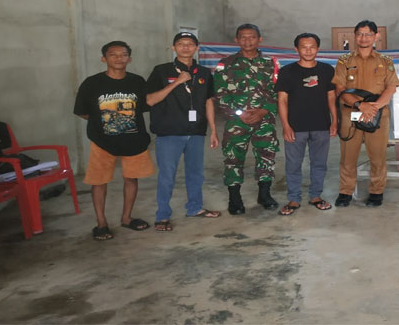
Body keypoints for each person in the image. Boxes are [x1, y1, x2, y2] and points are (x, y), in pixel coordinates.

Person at [74, 41, 154, 241]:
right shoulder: (91, 83)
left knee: (131, 178)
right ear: (104, 58)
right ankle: (101, 223)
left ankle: (126, 218)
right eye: (113, 54)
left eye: (123, 54)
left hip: (134, 140)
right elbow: (83, 112)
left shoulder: (137, 81)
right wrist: (105, 124)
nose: (119, 58)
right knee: (99, 181)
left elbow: (144, 107)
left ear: (129, 59)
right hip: (102, 141)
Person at [145, 32, 221, 232]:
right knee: (167, 176)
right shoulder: (161, 71)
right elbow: (150, 100)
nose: (185, 47)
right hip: (169, 132)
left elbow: (208, 102)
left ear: (197, 48)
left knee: (196, 174)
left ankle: (194, 208)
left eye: (190, 44)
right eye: (181, 43)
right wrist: (177, 82)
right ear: (173, 48)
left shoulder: (204, 72)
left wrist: (213, 130)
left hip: (196, 131)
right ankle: (162, 215)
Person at [332, 20, 399, 207]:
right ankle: (345, 192)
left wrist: (373, 108)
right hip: (350, 115)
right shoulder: (344, 61)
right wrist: (360, 105)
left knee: (377, 157)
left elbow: (391, 88)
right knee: (348, 157)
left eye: (368, 34)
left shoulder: (385, 61)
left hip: (378, 116)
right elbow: (340, 89)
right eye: (360, 34)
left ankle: (376, 192)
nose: (364, 38)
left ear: (376, 36)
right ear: (355, 36)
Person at [213, 24, 280, 214]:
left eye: (252, 37)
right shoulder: (225, 64)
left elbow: (278, 91)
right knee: (233, 158)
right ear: (236, 40)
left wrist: (264, 110)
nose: (247, 41)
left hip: (264, 119)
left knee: (266, 156)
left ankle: (264, 195)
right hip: (236, 121)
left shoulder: (271, 63)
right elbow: (220, 93)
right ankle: (234, 198)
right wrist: (239, 113)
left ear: (260, 39)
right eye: (243, 37)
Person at [275, 33, 338, 215]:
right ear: (296, 49)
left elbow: (331, 96)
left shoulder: (327, 70)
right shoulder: (287, 72)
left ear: (318, 48)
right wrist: (286, 125)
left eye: (312, 47)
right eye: (304, 47)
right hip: (295, 127)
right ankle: (294, 199)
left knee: (319, 164)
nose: (308, 51)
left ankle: (316, 196)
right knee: (293, 165)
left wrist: (334, 120)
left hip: (321, 125)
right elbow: (282, 100)